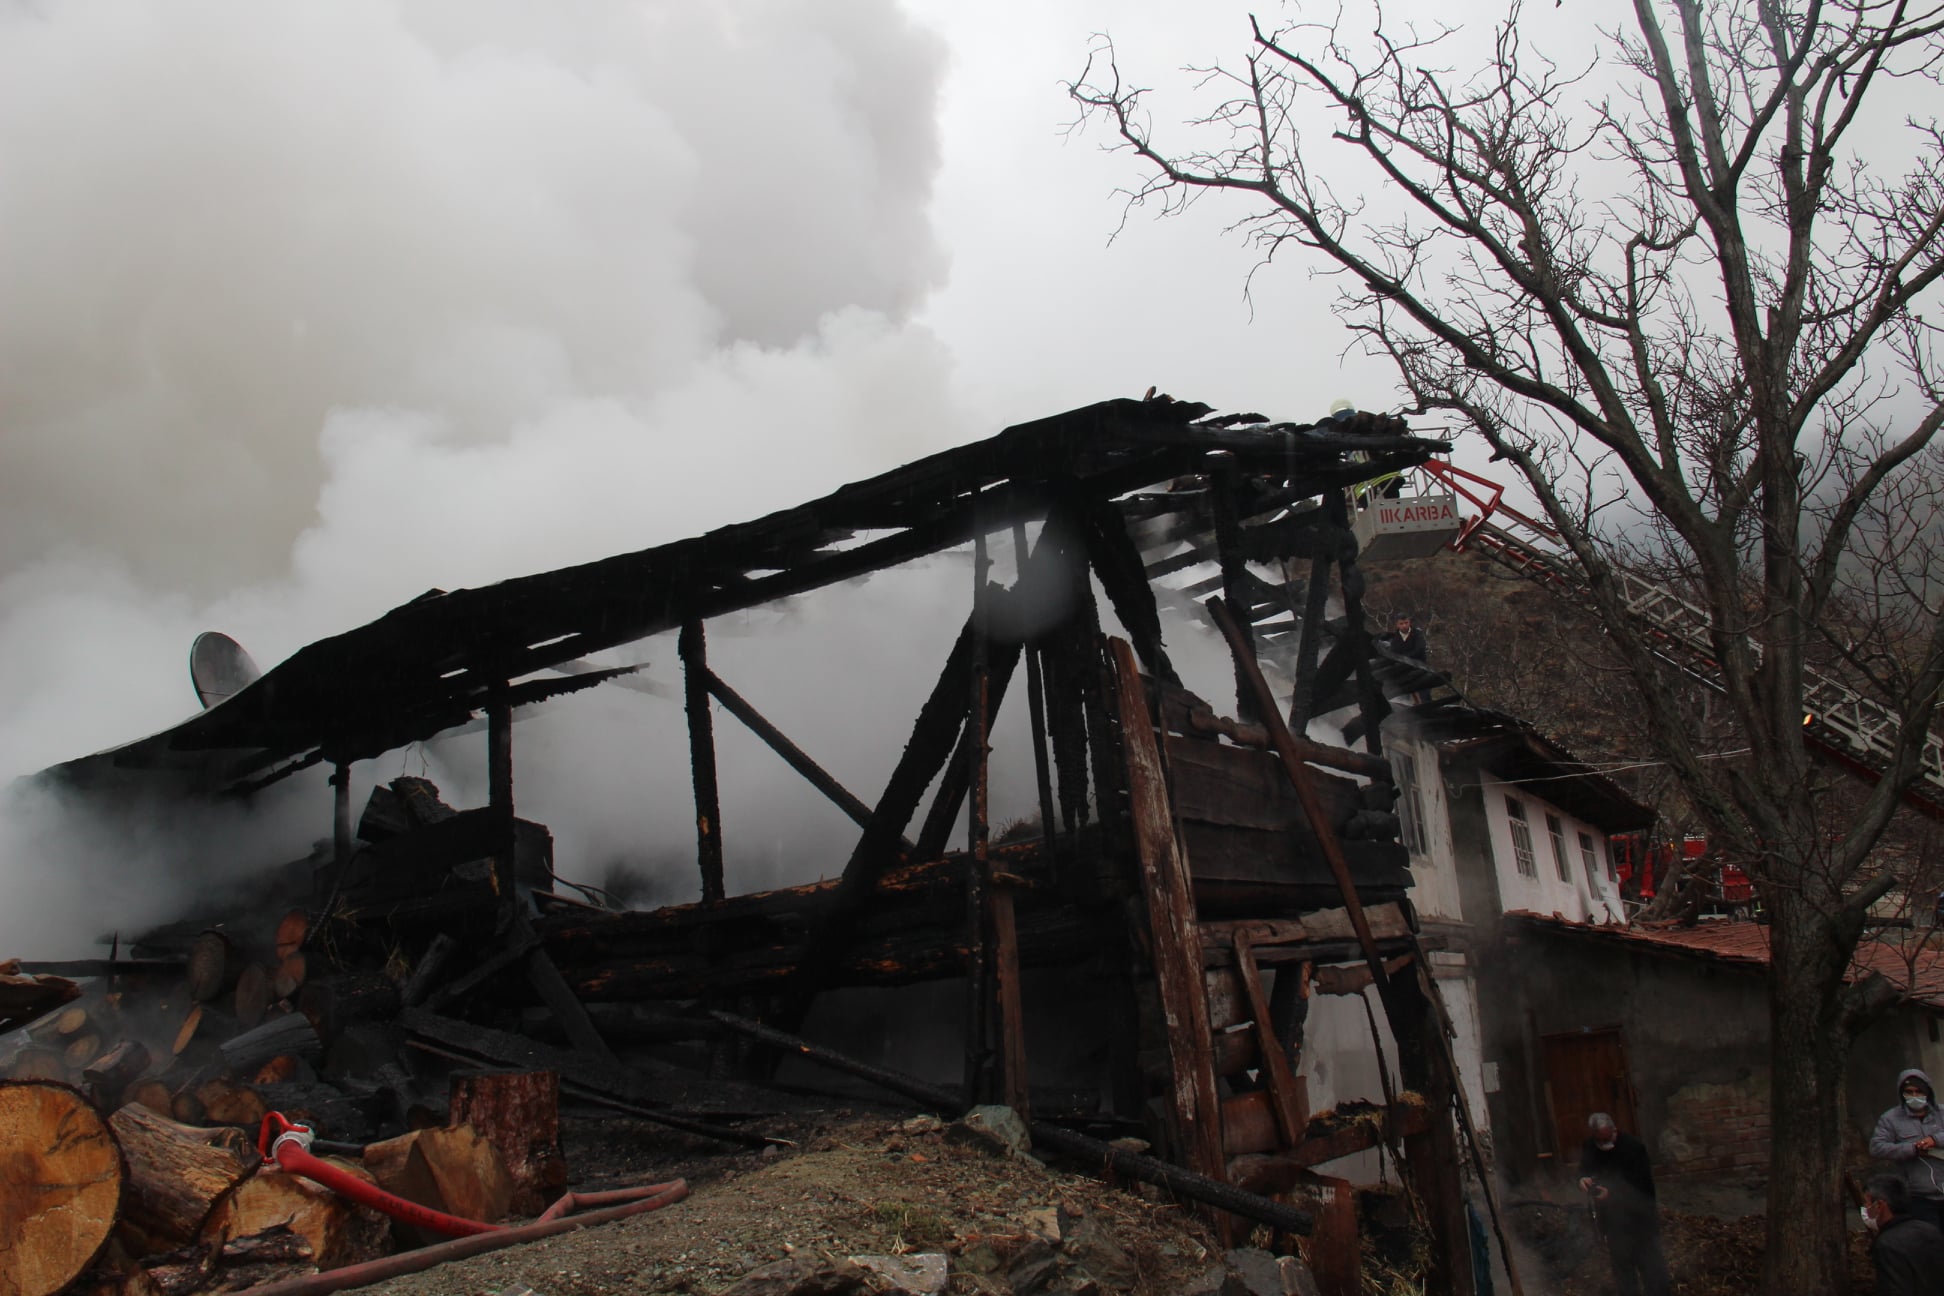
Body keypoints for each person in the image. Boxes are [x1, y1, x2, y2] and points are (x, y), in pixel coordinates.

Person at [1577, 1112, 1671, 1296]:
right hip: (1612, 1219)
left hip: (1640, 1216)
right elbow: (1584, 1169)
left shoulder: (1634, 1148)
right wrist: (1583, 1179)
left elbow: (1642, 1184)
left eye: (1607, 1138)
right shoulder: (1590, 1147)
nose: (1604, 1144)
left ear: (1614, 1130)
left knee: (1651, 1265)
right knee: (1622, 1266)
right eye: (1600, 1140)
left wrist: (1611, 1193)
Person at [1869, 1068, 1944, 1229]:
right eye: (1909, 1092)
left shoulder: (1942, 1113)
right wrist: (1912, 1149)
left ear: (1928, 1092)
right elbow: (1876, 1147)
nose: (1915, 1096)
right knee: (1930, 1240)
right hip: (1919, 1196)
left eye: (1919, 1091)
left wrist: (1935, 1140)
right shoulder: (1890, 1119)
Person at [1863, 1173, 1944, 1296]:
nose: (1866, 1208)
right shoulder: (1930, 1230)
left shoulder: (1886, 1244)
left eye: (1867, 1204)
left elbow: (1894, 1289)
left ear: (1880, 1205)